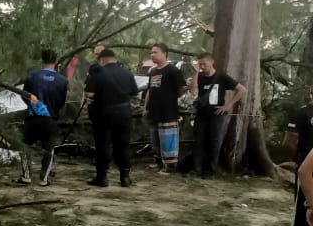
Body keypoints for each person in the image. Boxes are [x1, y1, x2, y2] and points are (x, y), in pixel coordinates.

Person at [85, 48, 139, 187]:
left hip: (103, 112)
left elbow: (89, 94)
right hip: (124, 112)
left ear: (102, 60)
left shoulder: (98, 72)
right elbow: (134, 92)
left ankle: (102, 177)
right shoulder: (127, 73)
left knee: (103, 144)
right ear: (114, 59)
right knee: (123, 144)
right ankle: (125, 177)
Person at [189, 53, 247, 178]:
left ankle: (211, 171)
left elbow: (241, 89)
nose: (202, 66)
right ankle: (196, 169)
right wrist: (195, 73)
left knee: (214, 141)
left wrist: (229, 105)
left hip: (217, 113)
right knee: (199, 141)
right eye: (200, 64)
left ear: (212, 62)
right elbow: (192, 90)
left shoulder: (221, 77)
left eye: (204, 63)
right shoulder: (200, 77)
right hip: (202, 113)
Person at [17, 49, 69, 186]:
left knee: (25, 146)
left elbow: (24, 94)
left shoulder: (32, 75)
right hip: (50, 118)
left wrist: (31, 106)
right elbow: (62, 101)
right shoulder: (62, 81)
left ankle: (26, 176)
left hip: (32, 117)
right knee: (49, 149)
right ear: (56, 61)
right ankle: (43, 179)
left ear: (42, 60)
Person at [142, 43, 188, 173]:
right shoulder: (153, 71)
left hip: (168, 111)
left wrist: (172, 97)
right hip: (153, 110)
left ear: (164, 53)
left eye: (155, 52)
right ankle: (158, 163)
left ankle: (170, 166)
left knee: (168, 139)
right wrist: (146, 107)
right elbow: (150, 90)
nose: (152, 54)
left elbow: (183, 87)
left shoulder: (173, 70)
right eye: (151, 52)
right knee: (154, 138)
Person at [284, 89, 313, 226]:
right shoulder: (303, 113)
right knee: (302, 215)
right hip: (307, 169)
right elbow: (289, 141)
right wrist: (298, 158)